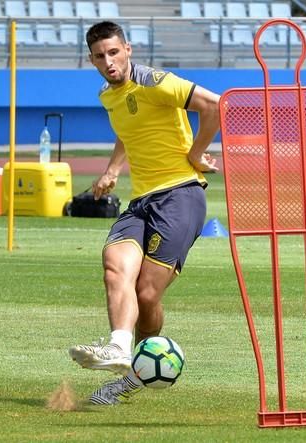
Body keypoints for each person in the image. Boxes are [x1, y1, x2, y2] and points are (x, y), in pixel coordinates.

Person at [67, 21, 221, 405]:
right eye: (101, 56)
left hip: (181, 195)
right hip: (142, 200)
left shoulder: (156, 82)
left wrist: (196, 154)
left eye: (114, 52)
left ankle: (133, 378)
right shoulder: (108, 95)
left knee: (147, 292)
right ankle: (119, 347)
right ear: (92, 60)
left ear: (128, 50)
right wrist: (113, 169)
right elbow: (127, 128)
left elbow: (215, 105)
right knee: (113, 261)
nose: (109, 61)